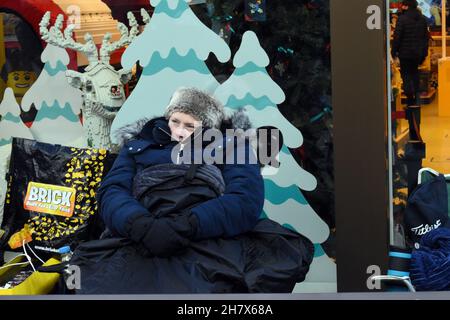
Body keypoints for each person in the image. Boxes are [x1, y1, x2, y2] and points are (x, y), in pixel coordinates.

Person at [98, 87, 265, 256]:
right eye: (175, 121)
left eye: (190, 126)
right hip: (137, 236)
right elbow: (112, 190)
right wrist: (138, 224)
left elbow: (246, 197)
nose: (179, 131)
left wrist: (189, 224)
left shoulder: (232, 148)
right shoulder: (138, 144)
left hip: (206, 240)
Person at [391, 0, 430, 140]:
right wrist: (423, 54)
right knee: (414, 74)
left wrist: (393, 52)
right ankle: (416, 97)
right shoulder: (422, 19)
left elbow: (397, 37)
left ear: (405, 5)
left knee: (406, 74)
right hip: (417, 55)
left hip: (405, 54)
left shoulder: (402, 19)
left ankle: (410, 98)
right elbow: (426, 38)